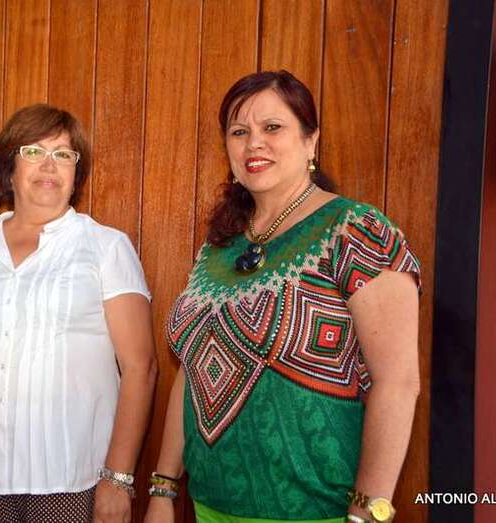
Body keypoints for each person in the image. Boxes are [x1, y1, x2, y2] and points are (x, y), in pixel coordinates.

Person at [144, 71, 421, 523]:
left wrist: (367, 513)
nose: (254, 143)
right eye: (239, 132)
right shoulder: (219, 246)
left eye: (272, 127)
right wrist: (163, 487)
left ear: (311, 141)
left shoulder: (357, 231)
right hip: (210, 506)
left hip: (318, 511)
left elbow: (398, 383)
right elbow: (194, 369)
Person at [0, 104, 157, 523]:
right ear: (9, 169)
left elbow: (140, 368)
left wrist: (118, 477)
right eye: (33, 152)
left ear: (76, 172)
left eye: (64, 154)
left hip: (71, 477)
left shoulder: (105, 247)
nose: (49, 165)